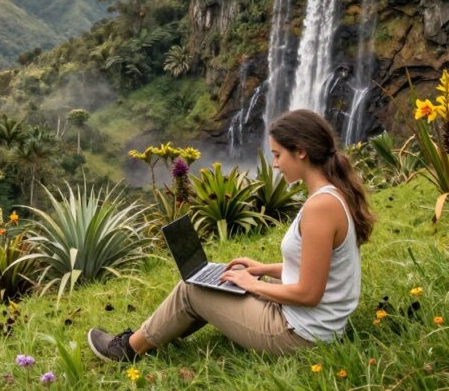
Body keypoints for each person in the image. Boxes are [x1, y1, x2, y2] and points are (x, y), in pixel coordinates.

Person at [88, 109, 376, 361]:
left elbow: (309, 293)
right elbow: (315, 269)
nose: (274, 164)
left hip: (300, 335)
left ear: (300, 151)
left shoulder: (321, 206)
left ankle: (128, 350)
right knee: (215, 284)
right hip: (319, 326)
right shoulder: (332, 195)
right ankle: (155, 336)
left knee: (193, 289)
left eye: (277, 155)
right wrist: (261, 269)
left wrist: (251, 284)